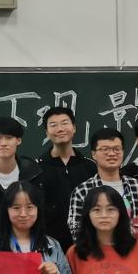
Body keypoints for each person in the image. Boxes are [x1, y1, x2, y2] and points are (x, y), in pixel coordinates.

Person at [35, 106, 97, 250]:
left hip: (87, 244)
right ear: (47, 132)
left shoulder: (90, 167)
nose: (60, 129)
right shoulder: (36, 169)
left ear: (74, 128)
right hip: (49, 246)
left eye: (64, 123)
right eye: (53, 125)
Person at [67, 128, 138, 237]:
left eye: (116, 149)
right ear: (94, 154)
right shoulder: (82, 191)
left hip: (134, 246)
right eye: (105, 149)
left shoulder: (137, 186)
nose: (111, 153)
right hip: (96, 247)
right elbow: (76, 228)